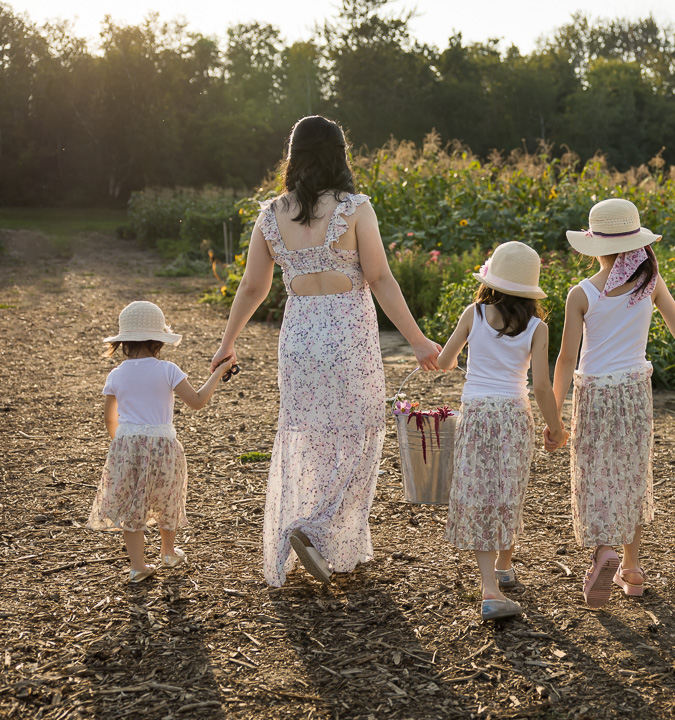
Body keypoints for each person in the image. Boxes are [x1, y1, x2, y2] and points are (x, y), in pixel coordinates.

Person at [211, 115, 441, 587]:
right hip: (348, 338)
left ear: (292, 156)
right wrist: (418, 341)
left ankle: (313, 529)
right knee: (359, 434)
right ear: (340, 154)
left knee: (309, 436)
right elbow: (379, 279)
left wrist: (227, 342)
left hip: (299, 340)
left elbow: (254, 286)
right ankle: (315, 529)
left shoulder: (271, 213)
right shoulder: (354, 208)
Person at [551, 198, 675, 608]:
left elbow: (564, 359)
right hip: (633, 392)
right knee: (631, 475)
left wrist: (554, 414)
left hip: (594, 395)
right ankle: (632, 568)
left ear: (595, 245)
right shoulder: (651, 282)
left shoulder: (582, 294)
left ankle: (602, 554)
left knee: (595, 476)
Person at [435, 241, 565, 621]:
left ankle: (497, 576)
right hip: (513, 413)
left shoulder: (473, 314)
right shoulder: (537, 327)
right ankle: (493, 587)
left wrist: (448, 355)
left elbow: (445, 362)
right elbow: (541, 386)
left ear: (490, 280)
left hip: (476, 412)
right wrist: (555, 426)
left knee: (480, 491)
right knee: (508, 489)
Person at [90, 301, 231, 583]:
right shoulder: (168, 370)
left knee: (133, 505)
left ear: (124, 342)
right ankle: (168, 552)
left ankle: (138, 567)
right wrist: (219, 372)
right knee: (168, 498)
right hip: (163, 445)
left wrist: (120, 444)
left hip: (127, 446)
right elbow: (198, 402)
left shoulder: (116, 374)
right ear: (158, 341)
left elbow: (109, 418)